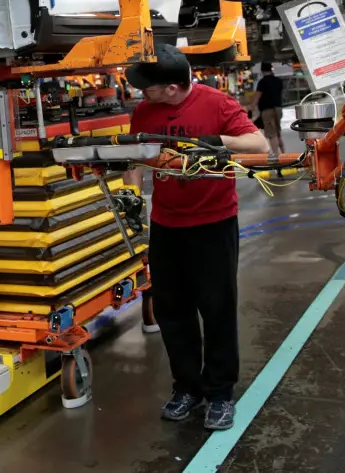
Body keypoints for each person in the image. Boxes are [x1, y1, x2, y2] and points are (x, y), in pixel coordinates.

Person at [126, 44, 269, 432]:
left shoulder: (217, 104)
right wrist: (132, 193)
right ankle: (187, 388)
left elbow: (260, 145)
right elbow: (138, 157)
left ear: (172, 87)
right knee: (173, 312)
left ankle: (220, 393)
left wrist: (218, 141)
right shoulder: (144, 111)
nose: (143, 94)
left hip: (213, 224)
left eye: (149, 88)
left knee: (217, 310)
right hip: (167, 225)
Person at [249, 63, 285, 157]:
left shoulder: (262, 82)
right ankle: (284, 153)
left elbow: (257, 96)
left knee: (271, 133)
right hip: (278, 109)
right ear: (271, 69)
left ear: (262, 71)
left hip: (267, 110)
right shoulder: (278, 81)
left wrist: (251, 108)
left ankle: (276, 155)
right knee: (277, 131)